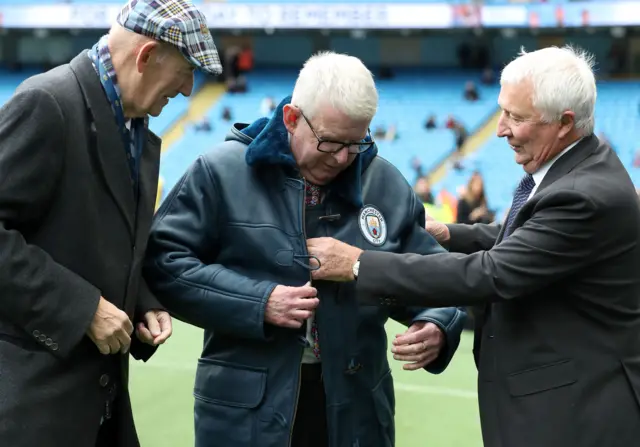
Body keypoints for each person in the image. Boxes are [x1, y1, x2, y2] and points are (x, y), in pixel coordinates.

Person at [306, 46, 640, 447]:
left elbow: (492, 273)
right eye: (502, 111)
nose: (500, 128)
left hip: (578, 414)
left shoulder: (583, 195)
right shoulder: (582, 168)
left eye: (516, 117)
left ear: (564, 123)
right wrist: (450, 234)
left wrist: (360, 264)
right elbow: (526, 237)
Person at [143, 51, 466, 447]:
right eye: (331, 142)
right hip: (245, 414)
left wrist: (438, 322)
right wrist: (259, 302)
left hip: (357, 413)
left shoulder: (383, 183)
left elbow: (437, 272)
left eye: (357, 142)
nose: (345, 157)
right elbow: (163, 262)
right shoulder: (219, 172)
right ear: (292, 119)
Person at [0, 1, 222, 446]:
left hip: (102, 409)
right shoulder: (48, 103)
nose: (186, 91)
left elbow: (97, 238)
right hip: (35, 411)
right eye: (184, 72)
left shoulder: (133, 123)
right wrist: (83, 309)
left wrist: (142, 301)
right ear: (145, 57)